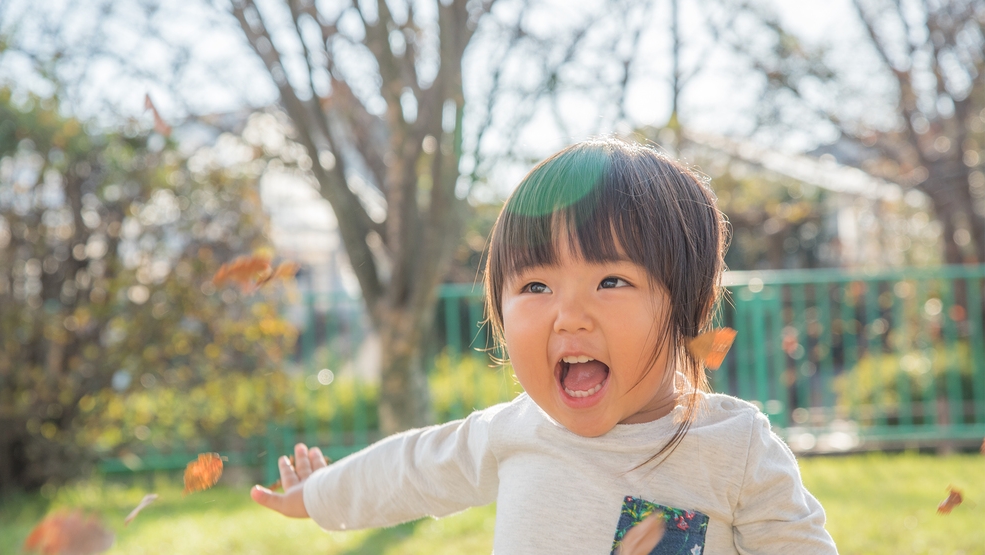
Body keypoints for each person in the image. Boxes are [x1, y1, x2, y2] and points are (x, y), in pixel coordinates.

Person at [250, 138, 838, 554]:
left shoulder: (734, 452)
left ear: (689, 306)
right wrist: (319, 494)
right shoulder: (513, 432)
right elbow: (408, 471)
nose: (569, 316)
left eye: (612, 281)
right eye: (535, 286)